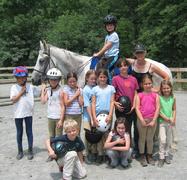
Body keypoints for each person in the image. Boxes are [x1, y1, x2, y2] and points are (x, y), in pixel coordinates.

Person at [10, 66, 40, 160]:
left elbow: (38, 92)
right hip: (18, 114)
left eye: (23, 77)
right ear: (16, 78)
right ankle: (20, 151)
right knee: (19, 132)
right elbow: (13, 100)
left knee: (29, 131)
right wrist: (21, 92)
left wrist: (43, 86)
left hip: (28, 113)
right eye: (19, 78)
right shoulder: (14, 87)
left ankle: (30, 150)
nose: (21, 79)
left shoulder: (30, 87)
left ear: (26, 77)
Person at [112, 59, 139, 154]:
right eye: (121, 66)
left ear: (128, 67)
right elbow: (112, 94)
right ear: (118, 68)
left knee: (129, 128)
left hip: (131, 109)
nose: (123, 67)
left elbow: (136, 93)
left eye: (125, 65)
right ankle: (119, 148)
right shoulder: (115, 79)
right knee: (120, 129)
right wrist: (115, 103)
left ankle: (129, 149)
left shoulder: (133, 79)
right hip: (120, 109)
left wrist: (134, 105)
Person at [91, 69, 115, 164]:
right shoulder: (95, 89)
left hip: (108, 116)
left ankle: (108, 154)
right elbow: (93, 103)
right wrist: (94, 117)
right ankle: (100, 154)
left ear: (107, 78)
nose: (102, 79)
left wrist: (110, 115)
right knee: (99, 136)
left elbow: (112, 102)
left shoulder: (111, 88)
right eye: (100, 77)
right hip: (97, 115)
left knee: (108, 135)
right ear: (97, 78)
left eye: (104, 77)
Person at [135, 74, 160, 167]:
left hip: (152, 120)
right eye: (145, 84)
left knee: (150, 139)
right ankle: (142, 156)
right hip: (142, 120)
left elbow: (157, 108)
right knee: (142, 138)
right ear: (142, 85)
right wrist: (141, 120)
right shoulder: (139, 95)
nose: (148, 85)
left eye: (149, 83)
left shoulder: (155, 95)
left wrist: (154, 120)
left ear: (152, 84)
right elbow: (137, 108)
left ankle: (149, 155)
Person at [92, 15, 119, 80]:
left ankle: (110, 85)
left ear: (114, 26)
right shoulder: (107, 36)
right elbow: (104, 46)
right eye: (107, 25)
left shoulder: (114, 35)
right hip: (107, 56)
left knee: (105, 70)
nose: (109, 27)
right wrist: (100, 55)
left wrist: (98, 54)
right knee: (98, 66)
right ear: (105, 26)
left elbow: (107, 47)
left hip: (113, 56)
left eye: (111, 25)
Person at [41, 68, 64, 138]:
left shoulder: (61, 90)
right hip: (50, 117)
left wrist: (61, 120)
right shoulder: (48, 90)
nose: (53, 81)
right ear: (48, 80)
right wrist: (43, 90)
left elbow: (63, 106)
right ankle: (52, 149)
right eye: (51, 79)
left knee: (59, 136)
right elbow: (43, 101)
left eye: (55, 79)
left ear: (59, 80)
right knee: (51, 136)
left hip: (58, 117)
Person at [158, 80, 176, 167]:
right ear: (161, 89)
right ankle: (161, 157)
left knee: (168, 140)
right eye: (164, 88)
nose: (166, 90)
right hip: (162, 122)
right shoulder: (159, 98)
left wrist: (173, 118)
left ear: (171, 88)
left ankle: (166, 154)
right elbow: (159, 111)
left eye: (168, 88)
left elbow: (174, 109)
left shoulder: (173, 97)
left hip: (170, 122)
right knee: (163, 139)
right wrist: (166, 118)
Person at [82, 70, 97, 164]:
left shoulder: (95, 88)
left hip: (95, 116)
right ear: (87, 78)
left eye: (95, 79)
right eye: (91, 78)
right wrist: (91, 118)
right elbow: (87, 105)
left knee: (95, 135)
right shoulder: (86, 89)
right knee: (88, 136)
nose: (93, 80)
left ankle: (94, 152)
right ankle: (87, 153)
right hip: (88, 117)